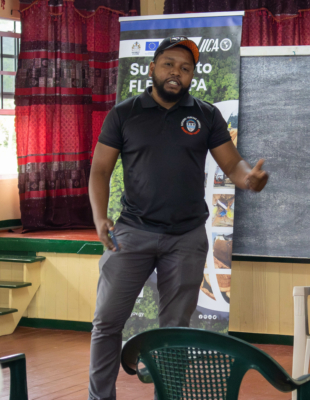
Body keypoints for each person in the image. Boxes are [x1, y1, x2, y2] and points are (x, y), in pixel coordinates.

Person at [88, 36, 268, 400]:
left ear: (191, 76)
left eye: (185, 68)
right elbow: (100, 171)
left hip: (186, 238)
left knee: (174, 330)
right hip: (132, 232)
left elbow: (232, 163)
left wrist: (249, 179)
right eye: (169, 64)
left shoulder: (206, 114)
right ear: (152, 68)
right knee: (106, 322)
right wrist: (99, 218)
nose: (176, 72)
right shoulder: (124, 114)